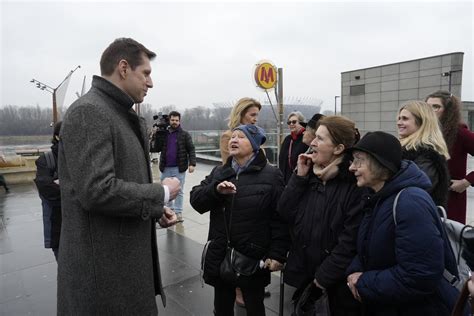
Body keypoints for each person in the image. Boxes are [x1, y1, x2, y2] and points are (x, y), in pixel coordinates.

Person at [57, 38, 181, 315]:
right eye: (146, 73)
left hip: (118, 274)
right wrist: (160, 193)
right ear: (123, 68)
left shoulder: (112, 112)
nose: (150, 83)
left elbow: (118, 182)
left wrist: (153, 209)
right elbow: (97, 190)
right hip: (104, 282)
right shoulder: (90, 112)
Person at [346, 131, 461, 315]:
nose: (352, 167)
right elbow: (369, 250)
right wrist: (354, 273)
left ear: (381, 164)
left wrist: (364, 282)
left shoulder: (410, 202)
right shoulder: (377, 197)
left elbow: (421, 274)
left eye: (359, 160)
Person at [191, 124, 290, 316]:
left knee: (254, 307)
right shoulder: (220, 171)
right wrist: (215, 191)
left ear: (254, 144)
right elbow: (196, 201)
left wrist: (278, 254)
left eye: (241, 137)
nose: (233, 140)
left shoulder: (272, 175)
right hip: (221, 255)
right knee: (222, 309)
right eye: (232, 137)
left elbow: (280, 217)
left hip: (252, 257)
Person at [277, 116, 365, 315]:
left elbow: (349, 242)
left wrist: (321, 280)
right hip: (305, 277)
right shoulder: (308, 174)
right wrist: (298, 177)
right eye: (314, 137)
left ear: (338, 148)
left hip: (335, 287)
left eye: (320, 139)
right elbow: (284, 211)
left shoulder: (354, 184)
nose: (312, 143)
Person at [425, 91, 474, 223]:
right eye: (427, 107)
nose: (430, 111)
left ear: (448, 110)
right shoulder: (424, 132)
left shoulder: (460, 133)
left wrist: (467, 181)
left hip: (450, 202)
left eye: (436, 107)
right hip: (425, 198)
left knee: (448, 240)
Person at [397, 100, 450, 208]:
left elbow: (417, 190)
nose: (399, 122)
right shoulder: (408, 150)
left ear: (422, 122)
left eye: (405, 119)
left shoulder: (427, 154)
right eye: (399, 118)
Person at [158, 110, 196, 219]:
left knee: (179, 191)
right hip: (165, 167)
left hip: (179, 168)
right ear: (169, 120)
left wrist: (192, 163)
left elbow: (191, 149)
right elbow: (156, 148)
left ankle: (178, 212)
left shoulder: (185, 134)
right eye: (172, 120)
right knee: (166, 191)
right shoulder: (164, 134)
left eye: (176, 120)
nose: (174, 122)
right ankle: (170, 210)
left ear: (179, 121)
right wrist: (157, 135)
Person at [34, 121, 62, 260]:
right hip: (58, 225)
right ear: (57, 136)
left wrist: (60, 184)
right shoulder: (46, 160)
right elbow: (47, 189)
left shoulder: (82, 158)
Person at [220, 97, 261, 163]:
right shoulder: (228, 136)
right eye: (252, 115)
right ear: (240, 115)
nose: (256, 119)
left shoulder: (257, 136)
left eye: (256, 116)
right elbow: (227, 167)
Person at [278, 111, 309, 183]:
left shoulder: (306, 139)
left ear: (301, 123)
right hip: (285, 180)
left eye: (294, 122)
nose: (291, 124)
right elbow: (282, 160)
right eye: (289, 122)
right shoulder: (288, 139)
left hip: (300, 181)